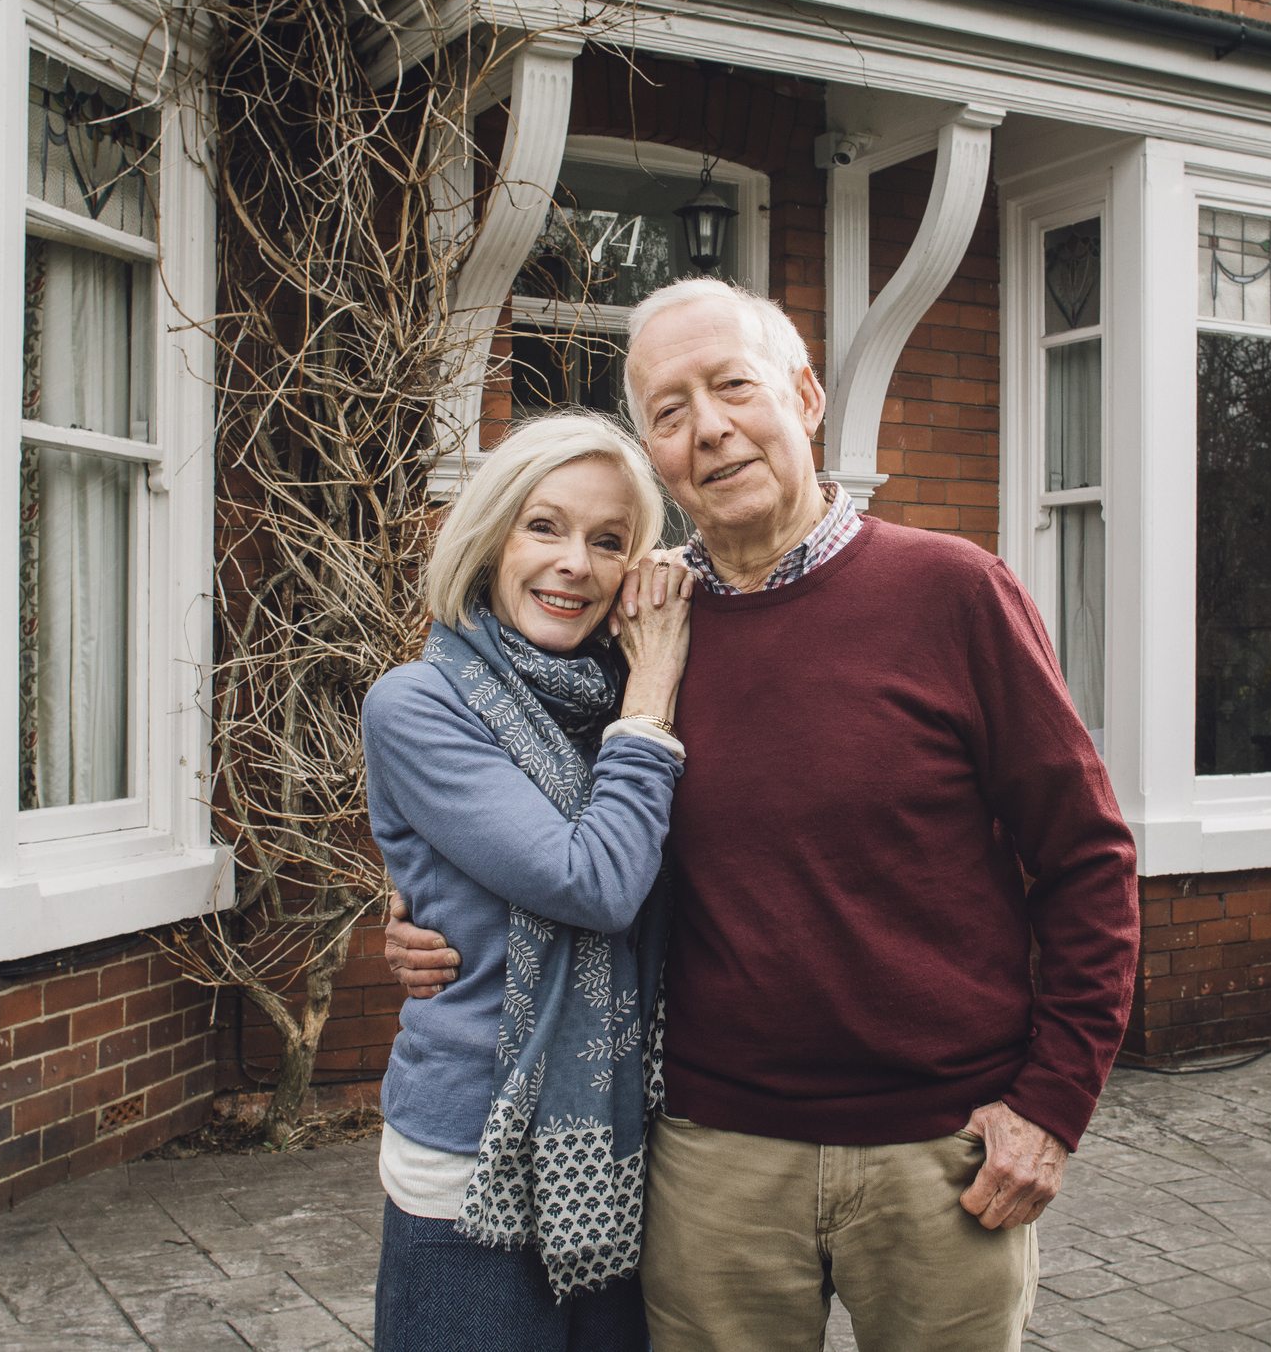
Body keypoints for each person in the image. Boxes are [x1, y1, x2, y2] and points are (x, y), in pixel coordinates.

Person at [387, 279, 1141, 1352]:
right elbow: (545, 814)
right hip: (708, 1156)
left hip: (940, 1152)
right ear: (654, 449)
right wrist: (426, 920)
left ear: (805, 396)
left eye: (732, 387)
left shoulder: (955, 593)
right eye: (669, 410)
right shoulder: (634, 634)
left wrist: (1054, 1104)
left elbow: (1087, 858)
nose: (710, 427)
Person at [364, 412, 695, 1352]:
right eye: (542, 527)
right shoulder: (417, 703)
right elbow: (591, 883)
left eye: (607, 542)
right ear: (489, 536)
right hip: (472, 1155)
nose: (573, 566)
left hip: (624, 1152)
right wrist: (649, 705)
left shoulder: (618, 695)